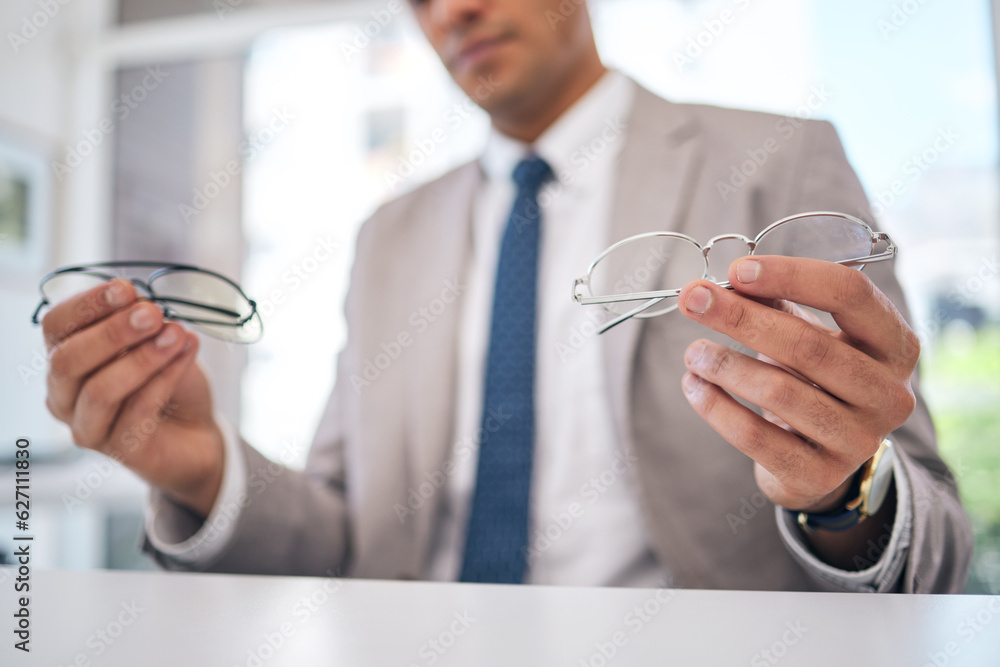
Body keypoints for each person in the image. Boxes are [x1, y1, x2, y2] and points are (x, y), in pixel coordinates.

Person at [40, 0, 970, 592]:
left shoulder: (778, 160)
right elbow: (346, 540)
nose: (455, 10)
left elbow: (934, 538)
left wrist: (850, 490)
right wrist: (203, 467)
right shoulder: (388, 234)